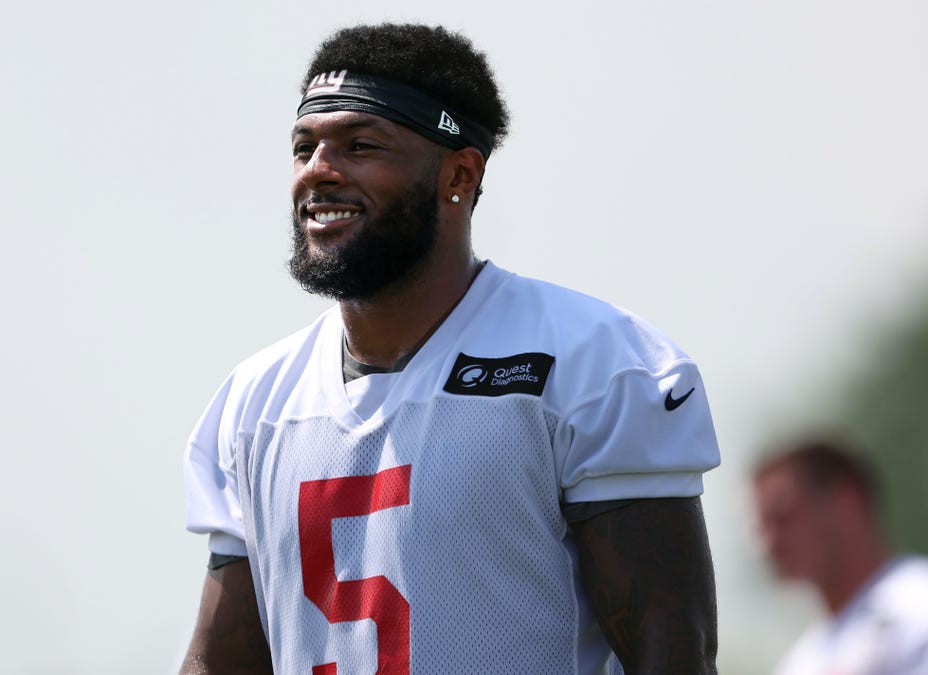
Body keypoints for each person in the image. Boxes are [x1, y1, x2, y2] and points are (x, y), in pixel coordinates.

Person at [181, 23, 721, 674]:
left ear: (458, 174)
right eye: (304, 148)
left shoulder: (590, 363)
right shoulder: (254, 405)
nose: (319, 171)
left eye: (359, 145)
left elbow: (673, 656)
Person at [753, 438, 928, 674]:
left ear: (847, 500)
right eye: (762, 526)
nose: (769, 544)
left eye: (783, 517)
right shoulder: (800, 663)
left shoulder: (917, 606)